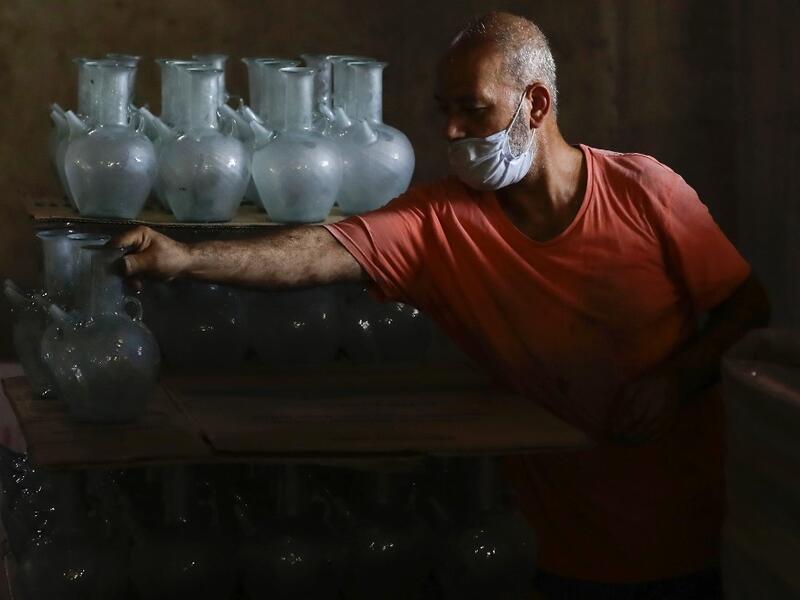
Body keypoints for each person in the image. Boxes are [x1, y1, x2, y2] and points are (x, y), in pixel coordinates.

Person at [112, 11, 770, 599]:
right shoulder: (440, 222)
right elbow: (318, 252)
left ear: (536, 103)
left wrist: (676, 379)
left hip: (681, 539)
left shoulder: (644, 190)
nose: (452, 131)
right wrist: (186, 259)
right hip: (548, 549)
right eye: (443, 111)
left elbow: (747, 306)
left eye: (472, 109)